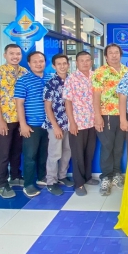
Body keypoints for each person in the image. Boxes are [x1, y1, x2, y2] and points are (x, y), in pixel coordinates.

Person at [0, 44, 28, 199]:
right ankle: (1, 183)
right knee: (4, 152)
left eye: (18, 54)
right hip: (5, 118)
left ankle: (16, 176)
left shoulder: (24, 72)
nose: (15, 56)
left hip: (22, 118)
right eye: (12, 53)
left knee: (17, 150)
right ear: (5, 55)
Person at [92, 44, 128, 196]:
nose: (114, 55)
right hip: (106, 115)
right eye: (110, 53)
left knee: (119, 146)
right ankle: (106, 177)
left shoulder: (127, 72)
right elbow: (96, 95)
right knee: (107, 146)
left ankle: (116, 174)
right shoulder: (100, 72)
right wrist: (97, 116)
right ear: (106, 56)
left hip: (123, 116)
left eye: (116, 53)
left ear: (120, 55)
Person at [63, 51, 99, 196]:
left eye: (88, 60)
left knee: (89, 152)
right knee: (77, 153)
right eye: (82, 60)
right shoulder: (71, 78)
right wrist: (72, 122)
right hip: (77, 122)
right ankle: (79, 183)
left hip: (92, 121)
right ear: (76, 63)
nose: (85, 63)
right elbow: (68, 102)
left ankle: (88, 177)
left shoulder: (95, 76)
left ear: (91, 62)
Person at [14, 51, 49, 197]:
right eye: (35, 61)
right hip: (31, 124)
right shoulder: (23, 80)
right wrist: (23, 124)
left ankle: (42, 177)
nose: (38, 64)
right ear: (29, 64)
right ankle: (28, 184)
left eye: (41, 61)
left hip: (48, 125)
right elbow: (19, 103)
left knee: (44, 154)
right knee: (30, 155)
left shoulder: (50, 78)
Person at [42, 53, 74, 195]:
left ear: (68, 65)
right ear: (54, 66)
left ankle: (62, 176)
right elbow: (48, 107)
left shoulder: (72, 80)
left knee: (67, 151)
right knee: (55, 153)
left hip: (70, 123)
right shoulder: (51, 83)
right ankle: (51, 181)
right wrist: (55, 126)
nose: (62, 66)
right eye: (59, 64)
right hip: (55, 125)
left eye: (64, 63)